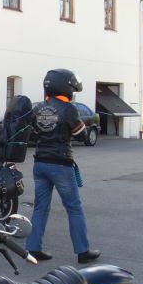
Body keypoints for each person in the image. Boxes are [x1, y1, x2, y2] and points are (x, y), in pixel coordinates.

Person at [25, 68, 100, 264]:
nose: (73, 91)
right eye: (72, 88)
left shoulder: (38, 108)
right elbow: (82, 135)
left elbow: (33, 133)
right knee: (74, 208)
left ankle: (33, 248)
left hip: (40, 163)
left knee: (40, 208)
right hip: (60, 163)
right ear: (64, 86)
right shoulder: (68, 109)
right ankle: (83, 251)